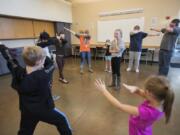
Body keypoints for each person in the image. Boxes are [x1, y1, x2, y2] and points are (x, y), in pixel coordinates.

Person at [0, 44, 72, 135]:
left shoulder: (17, 72)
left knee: (25, 132)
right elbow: (51, 64)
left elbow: (10, 60)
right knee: (62, 120)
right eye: (42, 59)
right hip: (44, 110)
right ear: (39, 61)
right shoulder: (44, 75)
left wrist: (2, 47)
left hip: (27, 110)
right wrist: (40, 50)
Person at [95, 75, 174, 135]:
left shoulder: (147, 112)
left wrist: (104, 91)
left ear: (150, 94)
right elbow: (144, 94)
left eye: (145, 91)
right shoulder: (160, 101)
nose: (144, 92)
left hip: (138, 132)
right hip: (143, 129)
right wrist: (136, 89)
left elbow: (120, 106)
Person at [37, 31, 60, 100]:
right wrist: (56, 37)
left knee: (49, 81)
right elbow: (50, 41)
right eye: (46, 39)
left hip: (47, 64)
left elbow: (48, 49)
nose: (47, 40)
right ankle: (48, 97)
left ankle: (48, 96)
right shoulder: (40, 44)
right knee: (47, 81)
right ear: (44, 39)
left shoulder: (43, 43)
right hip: (44, 66)